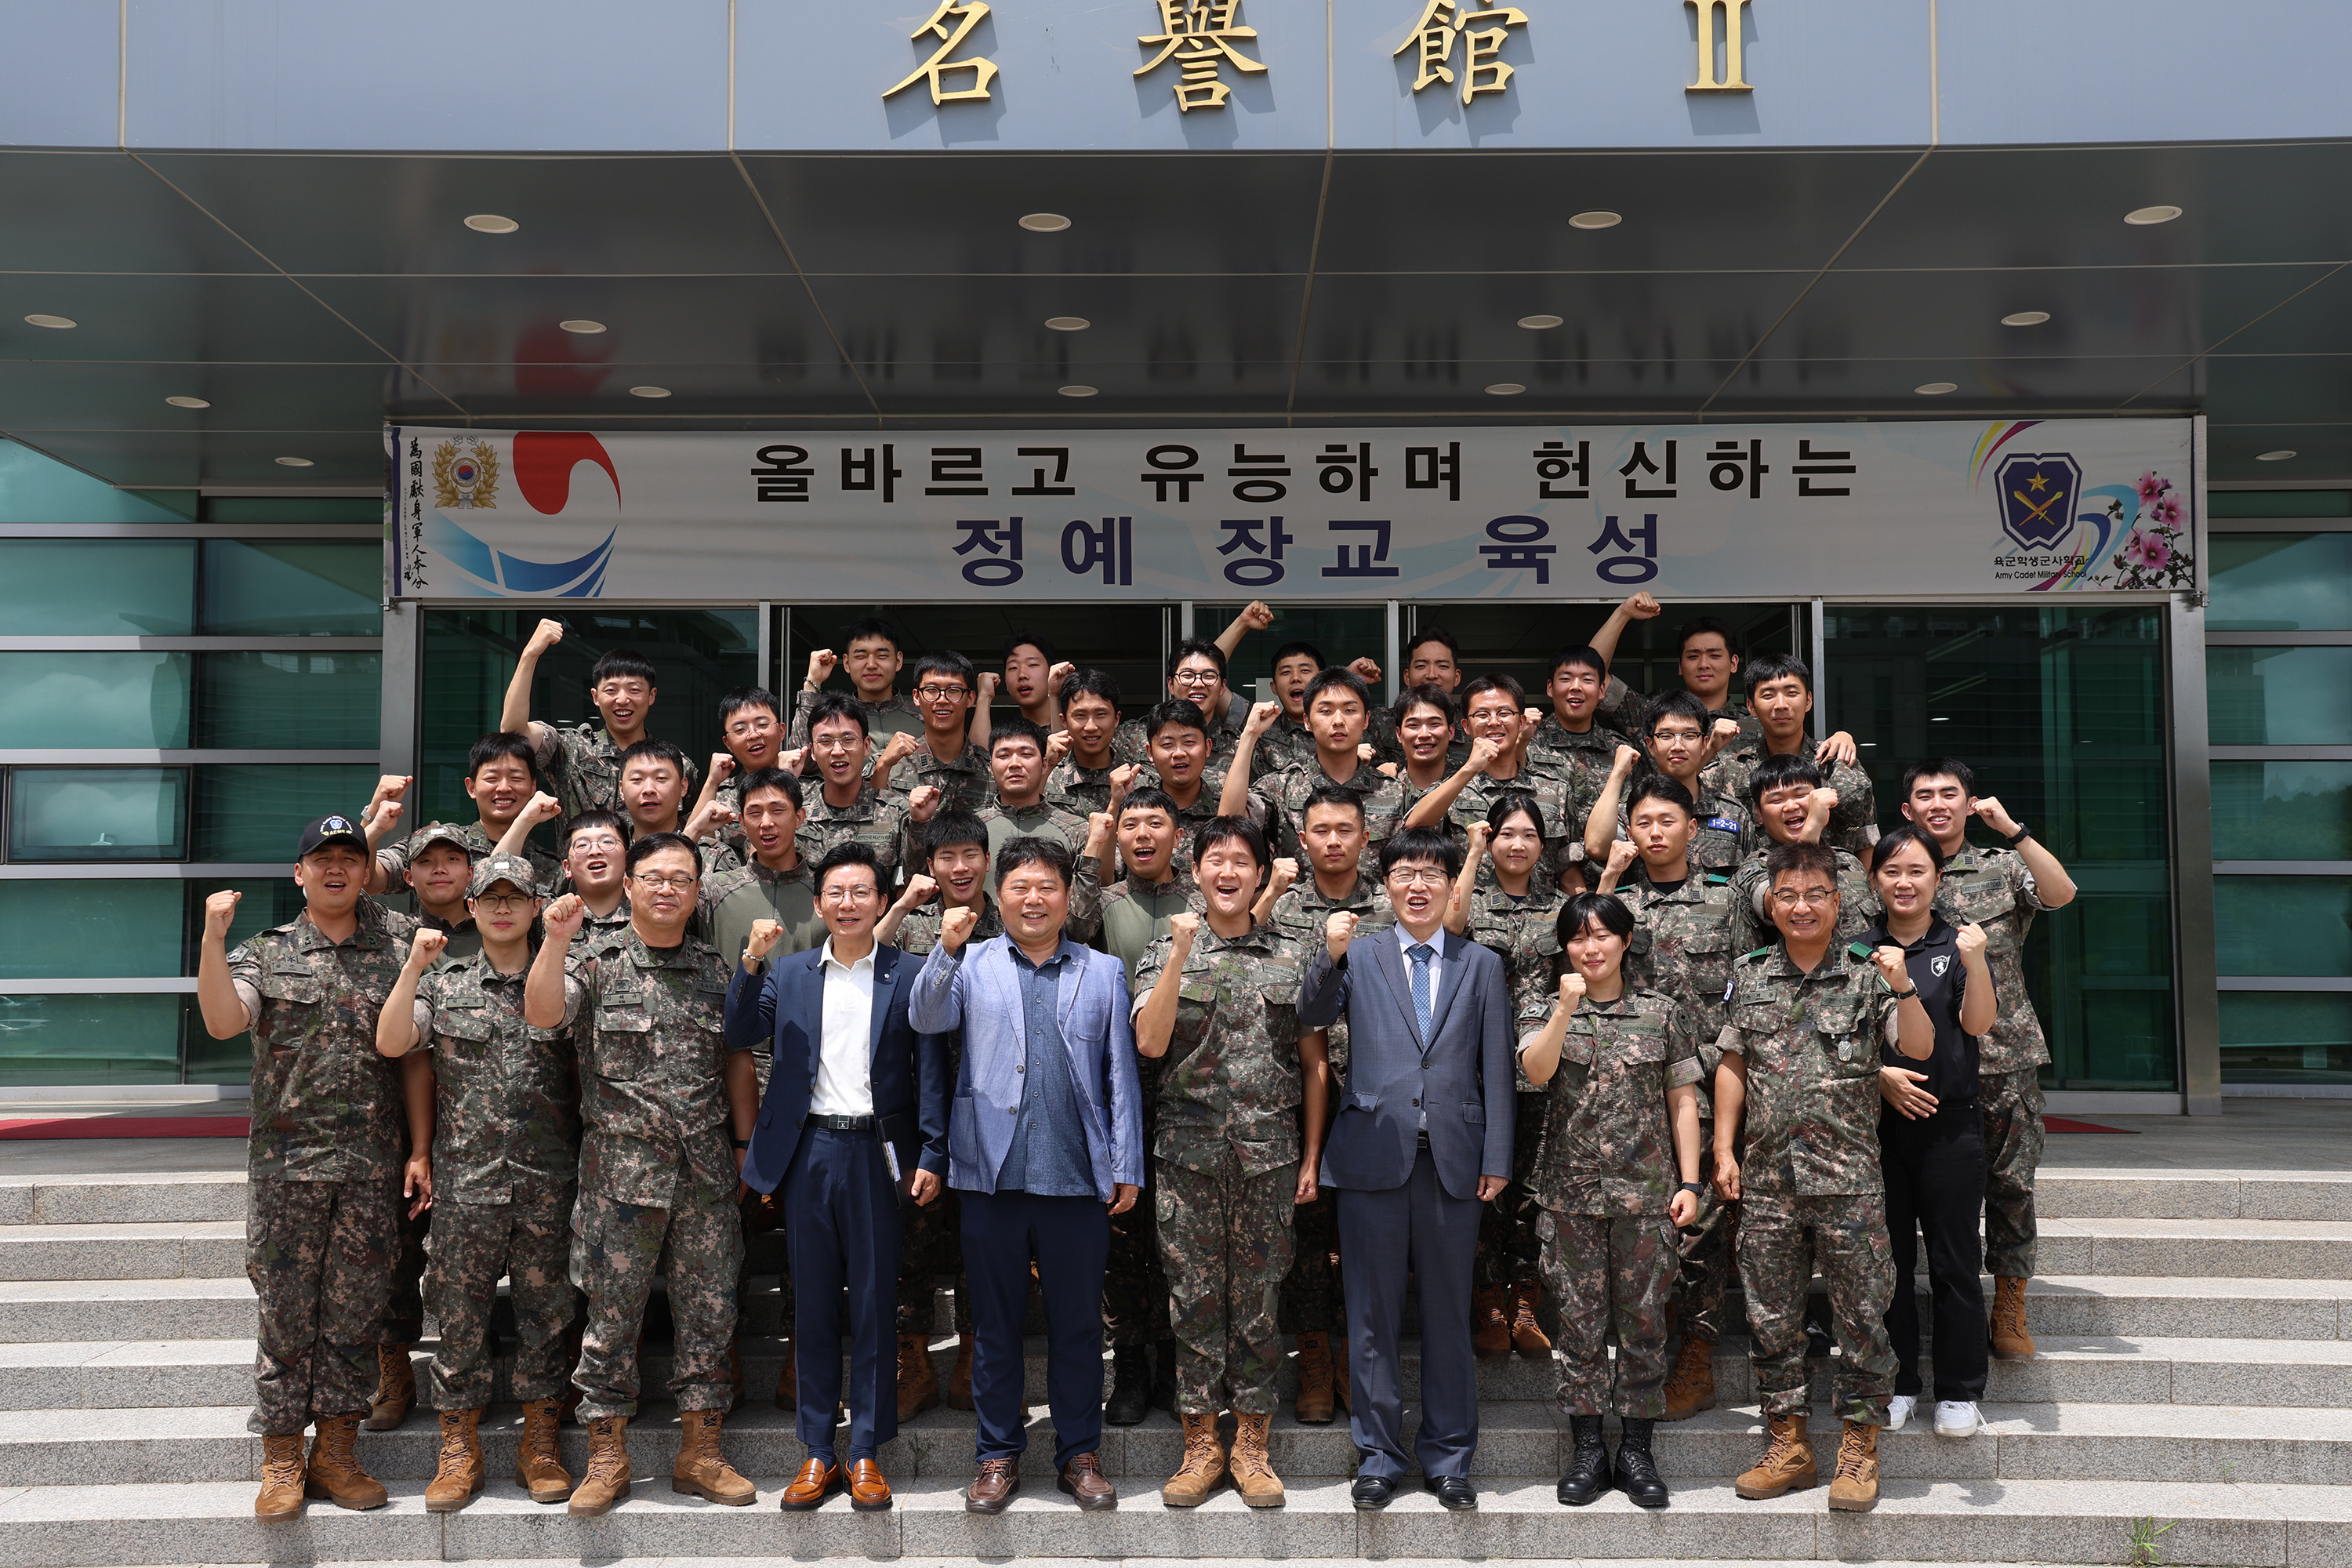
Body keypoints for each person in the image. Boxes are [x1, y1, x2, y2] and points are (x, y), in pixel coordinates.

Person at [523, 834, 760, 1518]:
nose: (665, 890)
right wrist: (554, 943)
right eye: (652, 878)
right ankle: (606, 1457)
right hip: (620, 1180)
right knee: (611, 1319)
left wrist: (744, 1147)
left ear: (696, 893)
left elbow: (738, 1063)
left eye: (680, 880)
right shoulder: (594, 963)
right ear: (628, 887)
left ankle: (701, 1453)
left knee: (710, 1316)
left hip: (706, 1178)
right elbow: (542, 1015)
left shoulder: (719, 972)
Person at [907, 837, 1143, 1514]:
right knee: (994, 1327)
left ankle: (1079, 1456)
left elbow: (1119, 1076)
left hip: (1075, 1177)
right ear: (996, 897)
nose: (1034, 899)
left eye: (1047, 887)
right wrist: (945, 949)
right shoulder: (972, 960)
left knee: (1077, 1328)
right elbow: (926, 1017)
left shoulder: (1100, 970)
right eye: (1020, 888)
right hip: (991, 1175)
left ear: (1069, 898)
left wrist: (1125, 1162)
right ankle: (997, 1456)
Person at [195, 814, 419, 1521]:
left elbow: (416, 1057)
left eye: (351, 859)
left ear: (365, 871)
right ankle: (284, 1456)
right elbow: (225, 1022)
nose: (336, 870)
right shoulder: (265, 953)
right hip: (288, 1169)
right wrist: (211, 939)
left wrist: (420, 1148)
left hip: (370, 1168)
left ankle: (339, 1452)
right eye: (322, 860)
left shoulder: (399, 947)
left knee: (356, 1313)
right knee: (287, 1315)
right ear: (300, 874)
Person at [724, 842, 950, 1515]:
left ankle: (867, 1452)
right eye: (836, 893)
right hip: (810, 1152)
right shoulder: (790, 972)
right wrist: (750, 962)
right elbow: (740, 1031)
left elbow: (932, 1070)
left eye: (861, 892)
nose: (848, 903)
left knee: (879, 1303)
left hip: (880, 1155)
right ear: (818, 903)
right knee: (815, 1304)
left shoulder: (909, 974)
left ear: (883, 902)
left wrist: (934, 1152)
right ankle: (818, 1450)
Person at [1298, 826, 1512, 1513]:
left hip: (1454, 1163)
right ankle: (1379, 1456)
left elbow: (1497, 1069)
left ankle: (1450, 1459)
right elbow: (1308, 1016)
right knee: (1370, 1316)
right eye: (1403, 874)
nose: (1417, 885)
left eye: (1431, 874)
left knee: (1449, 1316)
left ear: (1453, 886)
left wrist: (1499, 1157)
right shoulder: (1356, 955)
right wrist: (1327, 959)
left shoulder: (1481, 963)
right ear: (1384, 884)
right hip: (1371, 1161)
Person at [1715, 841, 1933, 1514]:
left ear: (1839, 902)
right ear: (1771, 904)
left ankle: (1859, 1449)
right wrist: (1723, 1150)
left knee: (1862, 1317)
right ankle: (1789, 1446)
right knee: (1772, 1317)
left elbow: (1920, 1046)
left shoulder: (1870, 973)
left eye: (1815, 895)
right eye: (1788, 895)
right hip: (1769, 1181)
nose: (1801, 906)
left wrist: (1904, 983)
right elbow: (1733, 1065)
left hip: (1849, 1180)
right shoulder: (1749, 974)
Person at [373, 852, 581, 1511]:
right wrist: (412, 967)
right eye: (488, 897)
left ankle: (540, 1442)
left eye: (513, 898)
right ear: (470, 908)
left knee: (548, 1316)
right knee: (459, 1317)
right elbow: (393, 1042)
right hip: (467, 1183)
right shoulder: (447, 983)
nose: (499, 908)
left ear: (533, 905)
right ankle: (458, 1445)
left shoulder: (566, 978)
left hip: (548, 1178)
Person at [1131, 818, 1322, 1509]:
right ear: (1196, 870)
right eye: (1217, 861)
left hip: (1269, 1156)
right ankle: (1200, 1445)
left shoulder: (1293, 956)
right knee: (1195, 1302)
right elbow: (1150, 1046)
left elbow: (1313, 1063)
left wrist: (1310, 1155)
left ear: (1261, 871)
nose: (1228, 872)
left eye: (1242, 861)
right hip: (1190, 1158)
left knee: (1259, 1303)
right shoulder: (1163, 949)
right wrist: (1181, 956)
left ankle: (1251, 1445)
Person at [1515, 891, 1703, 1510]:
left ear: (1626, 941)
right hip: (1570, 1197)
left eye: (1602, 936)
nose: (1590, 947)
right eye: (1578, 937)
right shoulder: (1542, 1009)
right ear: (1564, 947)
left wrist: (1690, 1183)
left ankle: (1637, 1449)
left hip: (1647, 1196)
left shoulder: (1663, 1013)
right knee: (1579, 1325)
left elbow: (1682, 1102)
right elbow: (1537, 1071)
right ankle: (1590, 1448)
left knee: (1646, 1322)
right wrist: (1565, 1010)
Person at [1899, 757, 2077, 1362]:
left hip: (2001, 1052)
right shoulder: (1896, 869)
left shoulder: (2002, 867)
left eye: (1950, 794)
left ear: (1970, 803)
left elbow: (2061, 894)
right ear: (1908, 810)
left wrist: (2015, 832)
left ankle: (2009, 1303)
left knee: (2009, 1183)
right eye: (1925, 796)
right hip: (1919, 1059)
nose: (1937, 804)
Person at [1594, 775, 1742, 1421]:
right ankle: (1637, 1347)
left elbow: (1749, 987)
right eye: (1644, 822)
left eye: (1668, 821)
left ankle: (1697, 1356)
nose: (1656, 833)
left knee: (1702, 1229)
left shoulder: (1728, 900)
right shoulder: (1620, 903)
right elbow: (1580, 959)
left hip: (1707, 1090)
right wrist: (1604, 882)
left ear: (1692, 828)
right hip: (1628, 1094)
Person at [1265, 786, 1397, 1424]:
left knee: (1368, 1233)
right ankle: (1315, 1353)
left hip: (1376, 1092)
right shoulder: (1281, 909)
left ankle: (1356, 1356)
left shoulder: (1393, 905)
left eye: (1347, 829)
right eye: (1321, 830)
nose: (1334, 841)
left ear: (1365, 837)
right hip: (1295, 1086)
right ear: (1303, 838)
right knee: (1309, 1227)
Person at [1861, 825, 1997, 1440]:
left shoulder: (1958, 943)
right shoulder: (1856, 950)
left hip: (1951, 1125)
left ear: (1938, 879)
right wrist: (1880, 1074)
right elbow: (1843, 1041)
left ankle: (1960, 1390)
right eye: (1892, 871)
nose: (1904, 882)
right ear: (1874, 881)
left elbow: (1978, 1024)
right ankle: (1898, 1384)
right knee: (1885, 1261)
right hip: (1879, 1128)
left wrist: (1976, 961)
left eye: (1917, 870)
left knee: (1954, 1260)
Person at [874, 811, 998, 1419]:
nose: (960, 867)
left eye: (970, 853)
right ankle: (914, 1359)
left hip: (993, 1101)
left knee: (980, 1233)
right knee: (914, 1232)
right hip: (923, 1093)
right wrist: (902, 906)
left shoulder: (1010, 920)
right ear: (930, 866)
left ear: (986, 858)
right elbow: (865, 960)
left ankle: (974, 1352)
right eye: (946, 856)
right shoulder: (913, 924)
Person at [1443, 795, 1566, 1362]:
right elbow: (1449, 926)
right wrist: (1469, 855)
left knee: (1533, 1191)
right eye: (1506, 835)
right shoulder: (1473, 898)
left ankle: (1524, 1303)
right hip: (1473, 1063)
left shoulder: (1560, 906)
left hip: (1539, 1065)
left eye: (1529, 836)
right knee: (1479, 1188)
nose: (1517, 845)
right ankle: (1487, 1301)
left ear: (1542, 846)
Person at [1090, 786, 1194, 1421]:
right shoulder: (1099, 906)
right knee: (1124, 1227)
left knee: (1181, 1228)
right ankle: (1130, 1362)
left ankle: (1178, 1362)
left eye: (1157, 822)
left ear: (1178, 835)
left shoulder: (1206, 902)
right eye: (1131, 824)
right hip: (1117, 1078)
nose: (1144, 834)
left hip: (1192, 1079)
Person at [502, 621, 693, 817]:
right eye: (611, 690)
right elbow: (513, 735)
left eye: (634, 690)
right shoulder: (571, 749)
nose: (622, 699)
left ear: (651, 696)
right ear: (595, 697)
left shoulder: (676, 765)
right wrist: (529, 655)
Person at [1225, 670, 1406, 877]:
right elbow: (1229, 823)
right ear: (1307, 721)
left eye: (1349, 710)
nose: (1338, 721)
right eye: (1326, 711)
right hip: (1296, 907)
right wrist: (1250, 735)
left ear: (1366, 720)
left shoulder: (1393, 790)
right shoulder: (1282, 787)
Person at [1403, 675, 1577, 884]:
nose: (1494, 722)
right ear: (1466, 726)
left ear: (1521, 722)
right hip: (1468, 913)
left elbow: (1569, 868)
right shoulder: (1452, 788)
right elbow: (1413, 826)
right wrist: (1470, 768)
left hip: (1541, 913)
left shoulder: (1555, 791)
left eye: (1504, 713)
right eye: (1482, 715)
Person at [1703, 655, 1871, 858]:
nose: (1781, 705)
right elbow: (1681, 797)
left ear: (1808, 700)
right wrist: (1710, 750)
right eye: (1768, 695)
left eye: (1792, 693)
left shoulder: (1835, 762)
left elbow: (1866, 837)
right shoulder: (1732, 770)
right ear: (1751, 707)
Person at [368, 734, 561, 900]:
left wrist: (525, 823)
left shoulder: (552, 868)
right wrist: (371, 817)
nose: (503, 788)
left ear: (533, 787)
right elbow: (367, 880)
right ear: (471, 788)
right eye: (492, 778)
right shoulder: (437, 843)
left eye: (516, 778)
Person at [1584, 695, 1751, 878]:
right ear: (1650, 745)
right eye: (1666, 736)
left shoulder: (1732, 812)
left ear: (1704, 744)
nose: (1677, 746)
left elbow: (1750, 878)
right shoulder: (1635, 811)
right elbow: (1597, 847)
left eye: (1689, 736)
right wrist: (1617, 774)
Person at [1728, 753, 1871, 953]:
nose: (1791, 806)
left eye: (1800, 795)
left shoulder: (1848, 862)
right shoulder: (1754, 867)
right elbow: (1775, 901)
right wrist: (1812, 826)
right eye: (1776, 800)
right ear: (1759, 813)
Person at [797, 692, 940, 888]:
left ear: (866, 746)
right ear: (812, 751)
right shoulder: (796, 817)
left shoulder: (897, 811)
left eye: (848, 740)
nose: (838, 751)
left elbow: (918, 884)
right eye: (826, 742)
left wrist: (920, 824)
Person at [1588, 597, 1762, 744]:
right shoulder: (1651, 715)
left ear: (1734, 663)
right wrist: (1623, 614)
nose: (1703, 664)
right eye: (1693, 657)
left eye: (1714, 656)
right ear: (1680, 666)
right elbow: (1591, 677)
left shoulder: (1756, 725)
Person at [684, 686, 791, 862]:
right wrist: (712, 782)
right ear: (728, 744)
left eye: (762, 725)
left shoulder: (809, 790)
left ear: (781, 731)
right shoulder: (723, 797)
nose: (753, 735)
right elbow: (689, 850)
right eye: (740, 730)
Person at [791, 616, 924, 747]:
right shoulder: (832, 719)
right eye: (860, 656)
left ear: (898, 661)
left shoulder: (924, 720)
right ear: (846, 663)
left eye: (882, 656)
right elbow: (803, 759)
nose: (871, 665)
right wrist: (812, 683)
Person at [887, 651, 993, 815]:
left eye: (954, 690)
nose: (942, 699)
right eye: (931, 690)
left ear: (971, 699)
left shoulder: (991, 770)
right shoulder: (891, 765)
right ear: (916, 697)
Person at [1129, 699, 1226, 875]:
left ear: (1207, 747)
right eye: (1167, 745)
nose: (1179, 753)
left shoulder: (1225, 807)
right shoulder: (1135, 811)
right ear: (1150, 752)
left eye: (1189, 742)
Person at [1526, 646, 1631, 807]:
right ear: (1550, 687)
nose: (1576, 687)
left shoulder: (1618, 749)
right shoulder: (1527, 741)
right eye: (1565, 679)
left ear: (1602, 690)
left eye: (1587, 680)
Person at [1114, 641, 1247, 765]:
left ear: (1222, 687)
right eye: (1188, 676)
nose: (1198, 684)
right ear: (1171, 684)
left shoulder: (1239, 746)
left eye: (1209, 676)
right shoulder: (1129, 739)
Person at [978, 717, 1091, 858]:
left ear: (1044, 764)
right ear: (991, 767)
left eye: (1026, 754)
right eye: (1004, 755)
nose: (1014, 764)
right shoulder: (971, 830)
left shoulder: (1077, 831)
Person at [1046, 669, 1124, 815]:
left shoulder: (1138, 781)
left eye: (1100, 715)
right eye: (1080, 715)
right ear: (1064, 721)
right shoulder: (1047, 779)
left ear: (1116, 719)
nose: (1091, 727)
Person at [1000, 632, 1070, 735]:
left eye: (1032, 665)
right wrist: (984, 698)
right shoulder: (1008, 738)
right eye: (1013, 668)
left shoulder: (1078, 728)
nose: (1022, 675)